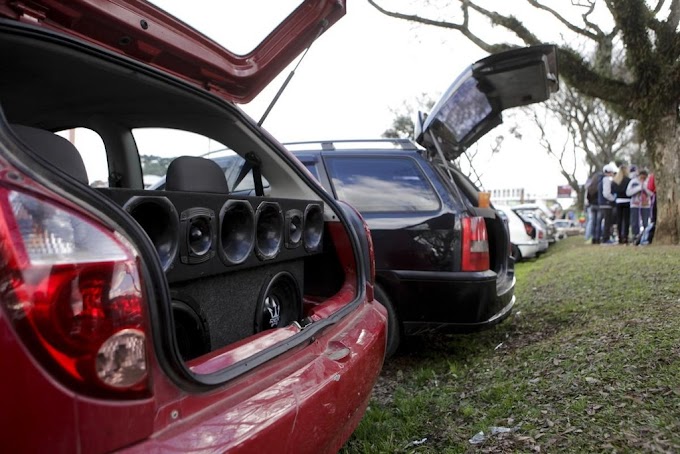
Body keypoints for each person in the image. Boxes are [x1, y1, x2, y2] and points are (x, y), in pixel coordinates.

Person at [626, 168, 653, 242]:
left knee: (645, 221)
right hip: (635, 205)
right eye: (641, 177)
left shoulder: (647, 182)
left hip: (646, 205)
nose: (642, 179)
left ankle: (645, 236)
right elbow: (628, 192)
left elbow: (651, 193)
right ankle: (635, 236)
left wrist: (645, 188)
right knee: (635, 221)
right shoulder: (633, 182)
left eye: (644, 177)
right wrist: (638, 188)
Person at [594, 163, 617, 244]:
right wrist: (613, 199)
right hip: (606, 204)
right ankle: (605, 238)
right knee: (607, 222)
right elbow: (606, 193)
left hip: (601, 204)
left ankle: (598, 238)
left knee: (600, 222)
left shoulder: (600, 180)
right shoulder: (606, 180)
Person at [611, 164, 631, 244]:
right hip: (627, 201)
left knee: (619, 220)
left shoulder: (615, 180)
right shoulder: (628, 180)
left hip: (618, 201)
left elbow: (613, 191)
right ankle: (625, 237)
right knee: (626, 220)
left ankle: (619, 237)